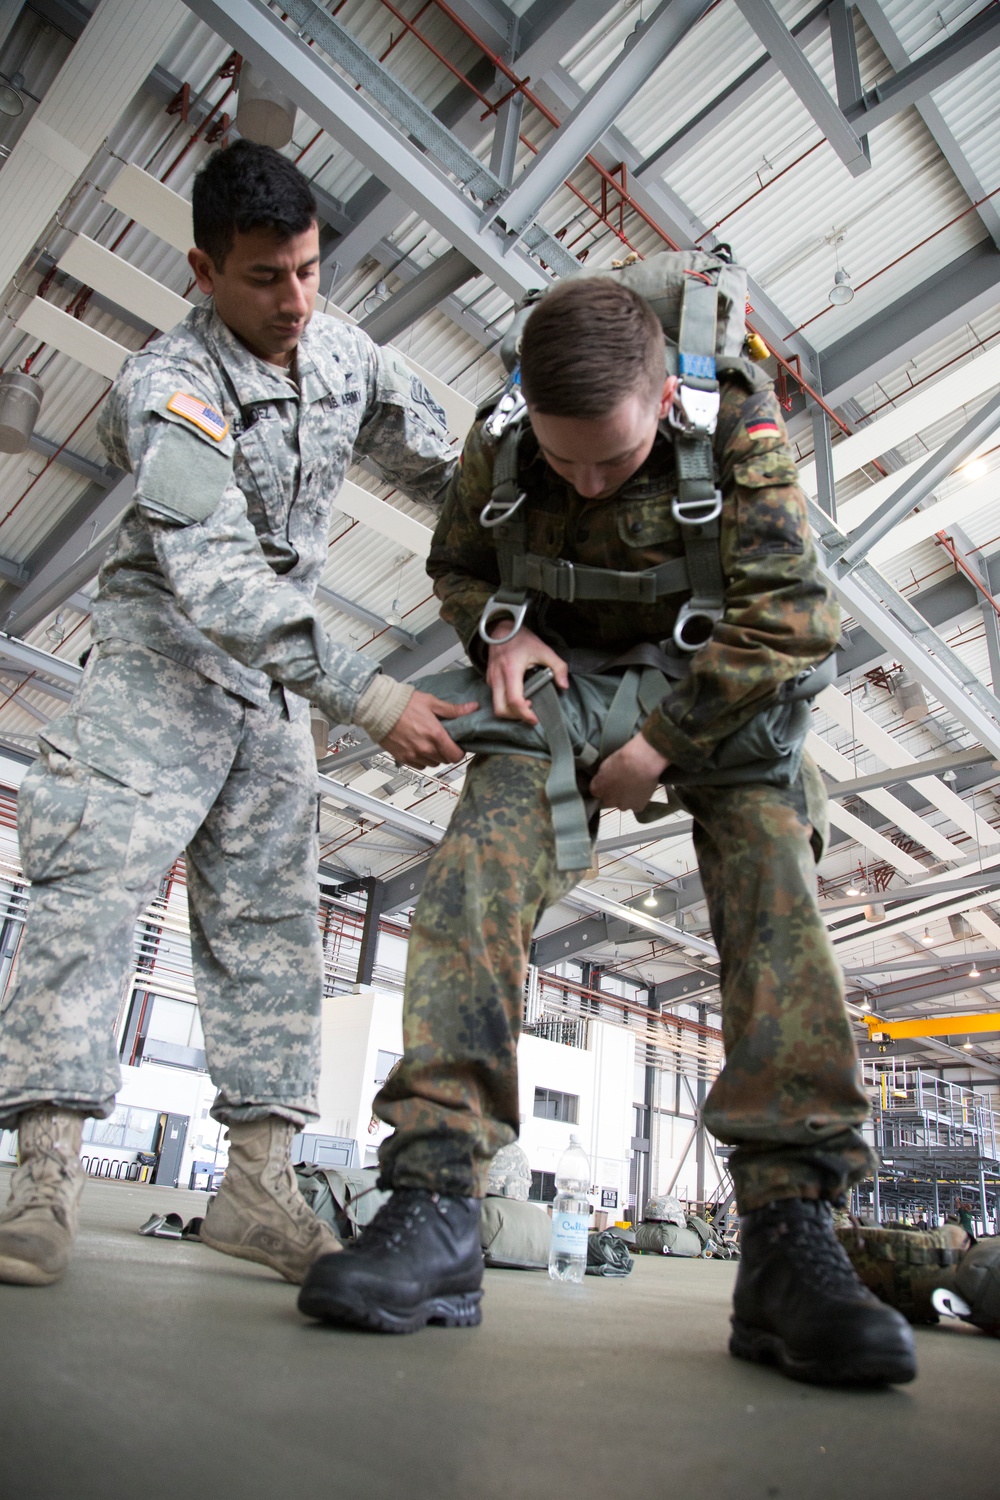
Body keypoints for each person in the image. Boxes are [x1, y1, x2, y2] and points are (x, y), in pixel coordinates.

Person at [298, 275, 918, 1386]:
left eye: (611, 461)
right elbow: (459, 564)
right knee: (480, 857)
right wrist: (499, 630)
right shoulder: (499, 440)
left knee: (771, 881)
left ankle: (788, 1235)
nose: (584, 478)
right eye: (563, 456)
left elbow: (792, 614)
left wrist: (664, 744)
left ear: (659, 400)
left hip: (719, 688)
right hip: (565, 684)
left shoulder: (731, 421)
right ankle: (436, 1200)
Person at [0, 140, 473, 1289]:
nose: (295, 301)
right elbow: (213, 583)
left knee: (270, 926)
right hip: (160, 668)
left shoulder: (342, 352)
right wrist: (369, 695)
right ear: (207, 271)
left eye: (309, 270)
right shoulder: (168, 388)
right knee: (94, 891)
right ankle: (40, 1175)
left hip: (267, 698)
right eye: (266, 277)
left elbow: (453, 463)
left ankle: (257, 1186)